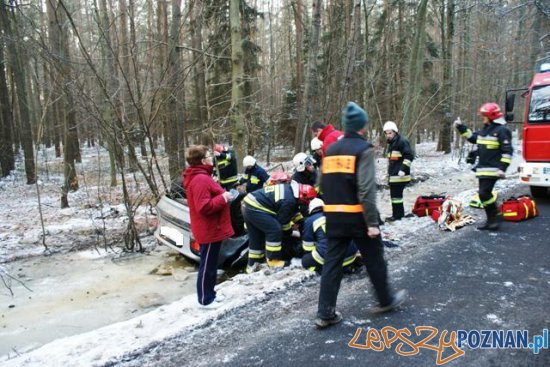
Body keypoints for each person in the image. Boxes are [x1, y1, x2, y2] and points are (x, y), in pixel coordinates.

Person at [316, 102, 406, 329]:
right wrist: (372, 222)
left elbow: (321, 184)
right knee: (374, 258)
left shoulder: (331, 150)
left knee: (332, 264)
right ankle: (385, 300)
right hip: (358, 218)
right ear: (362, 126)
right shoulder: (363, 149)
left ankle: (325, 313)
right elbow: (366, 189)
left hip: (334, 217)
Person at [183, 145, 234, 309]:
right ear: (203, 160)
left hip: (210, 228)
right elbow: (203, 207)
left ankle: (210, 294)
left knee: (211, 264)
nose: (212, 159)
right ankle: (205, 300)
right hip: (209, 228)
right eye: (209, 156)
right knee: (208, 265)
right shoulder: (200, 179)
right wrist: (224, 198)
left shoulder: (202, 176)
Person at [454, 102, 513, 230]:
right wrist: (461, 127)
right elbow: (473, 138)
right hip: (483, 169)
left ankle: (495, 217)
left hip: (494, 170)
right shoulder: (485, 129)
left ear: (491, 116)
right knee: (483, 195)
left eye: (484, 116)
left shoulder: (502, 130)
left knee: (484, 194)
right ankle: (491, 220)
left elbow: (507, 151)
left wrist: (503, 169)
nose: (483, 118)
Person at [242, 181, 316, 273]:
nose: (308, 202)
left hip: (248, 204)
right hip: (256, 207)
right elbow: (283, 223)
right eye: (308, 199)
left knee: (257, 239)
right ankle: (273, 261)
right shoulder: (289, 201)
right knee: (275, 229)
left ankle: (251, 267)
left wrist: (300, 222)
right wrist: (291, 233)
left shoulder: (290, 192)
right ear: (303, 195)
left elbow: (292, 211)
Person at [301, 198, 358, 274]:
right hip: (351, 255)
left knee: (305, 261)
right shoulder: (336, 214)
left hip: (332, 259)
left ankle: (320, 271)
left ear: (311, 209)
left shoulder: (310, 220)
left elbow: (307, 247)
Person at [383, 121, 414, 221]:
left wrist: (403, 169)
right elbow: (393, 161)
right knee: (396, 197)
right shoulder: (392, 144)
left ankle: (397, 216)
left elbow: (409, 156)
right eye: (386, 133)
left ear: (395, 132)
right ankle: (398, 214)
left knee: (396, 197)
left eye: (390, 133)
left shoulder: (401, 142)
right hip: (394, 176)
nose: (388, 135)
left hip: (400, 176)